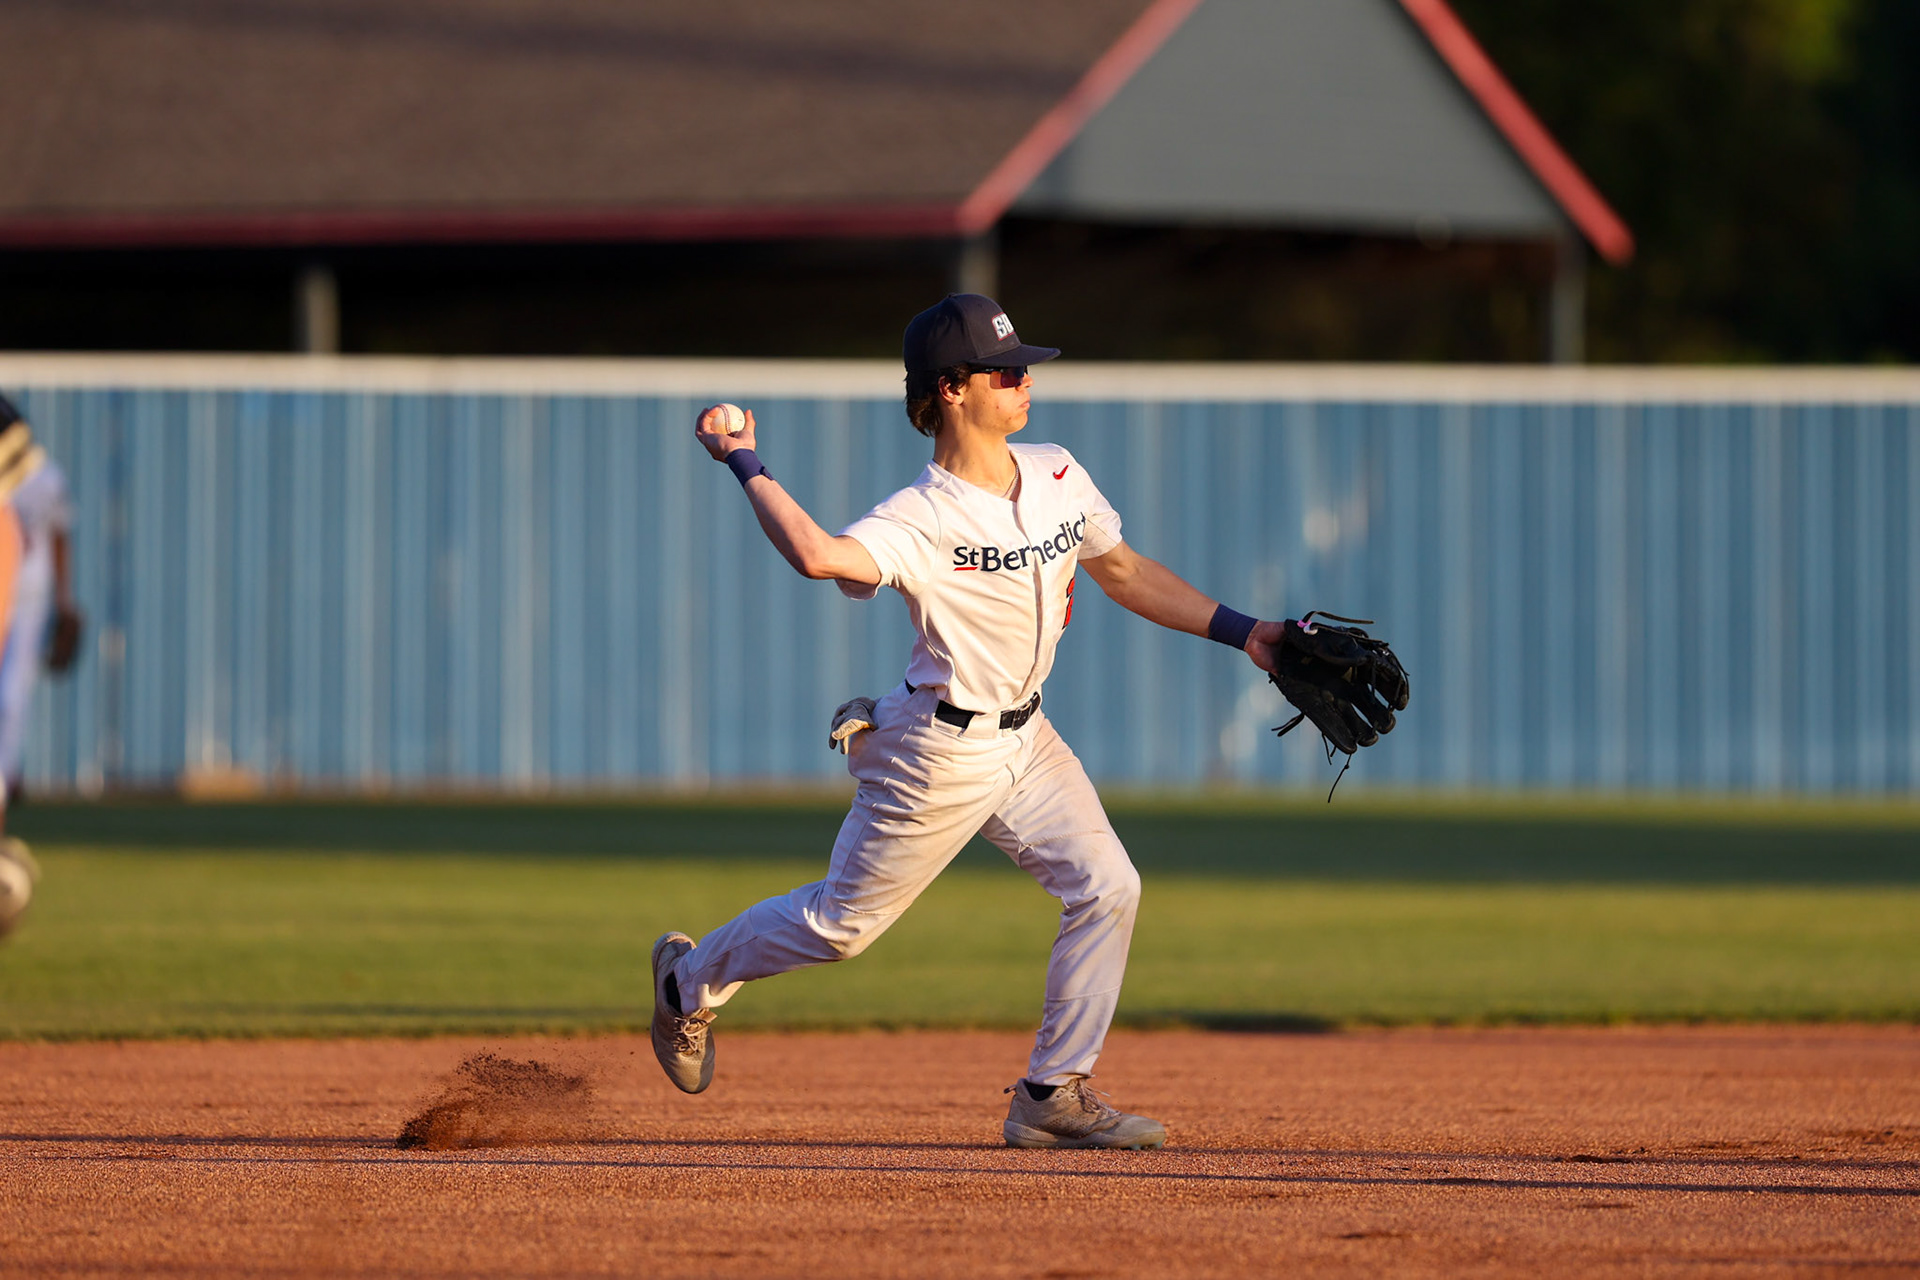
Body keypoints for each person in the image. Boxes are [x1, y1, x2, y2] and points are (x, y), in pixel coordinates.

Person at [651, 295, 1295, 1150]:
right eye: (1007, 369)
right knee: (842, 929)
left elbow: (1127, 572)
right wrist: (743, 458)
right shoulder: (921, 516)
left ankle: (1052, 1092)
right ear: (952, 390)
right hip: (936, 753)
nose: (1025, 380)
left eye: (1023, 366)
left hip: (1030, 741)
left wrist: (1248, 632)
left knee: (1109, 886)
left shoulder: (1060, 471)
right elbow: (819, 557)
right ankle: (685, 984)